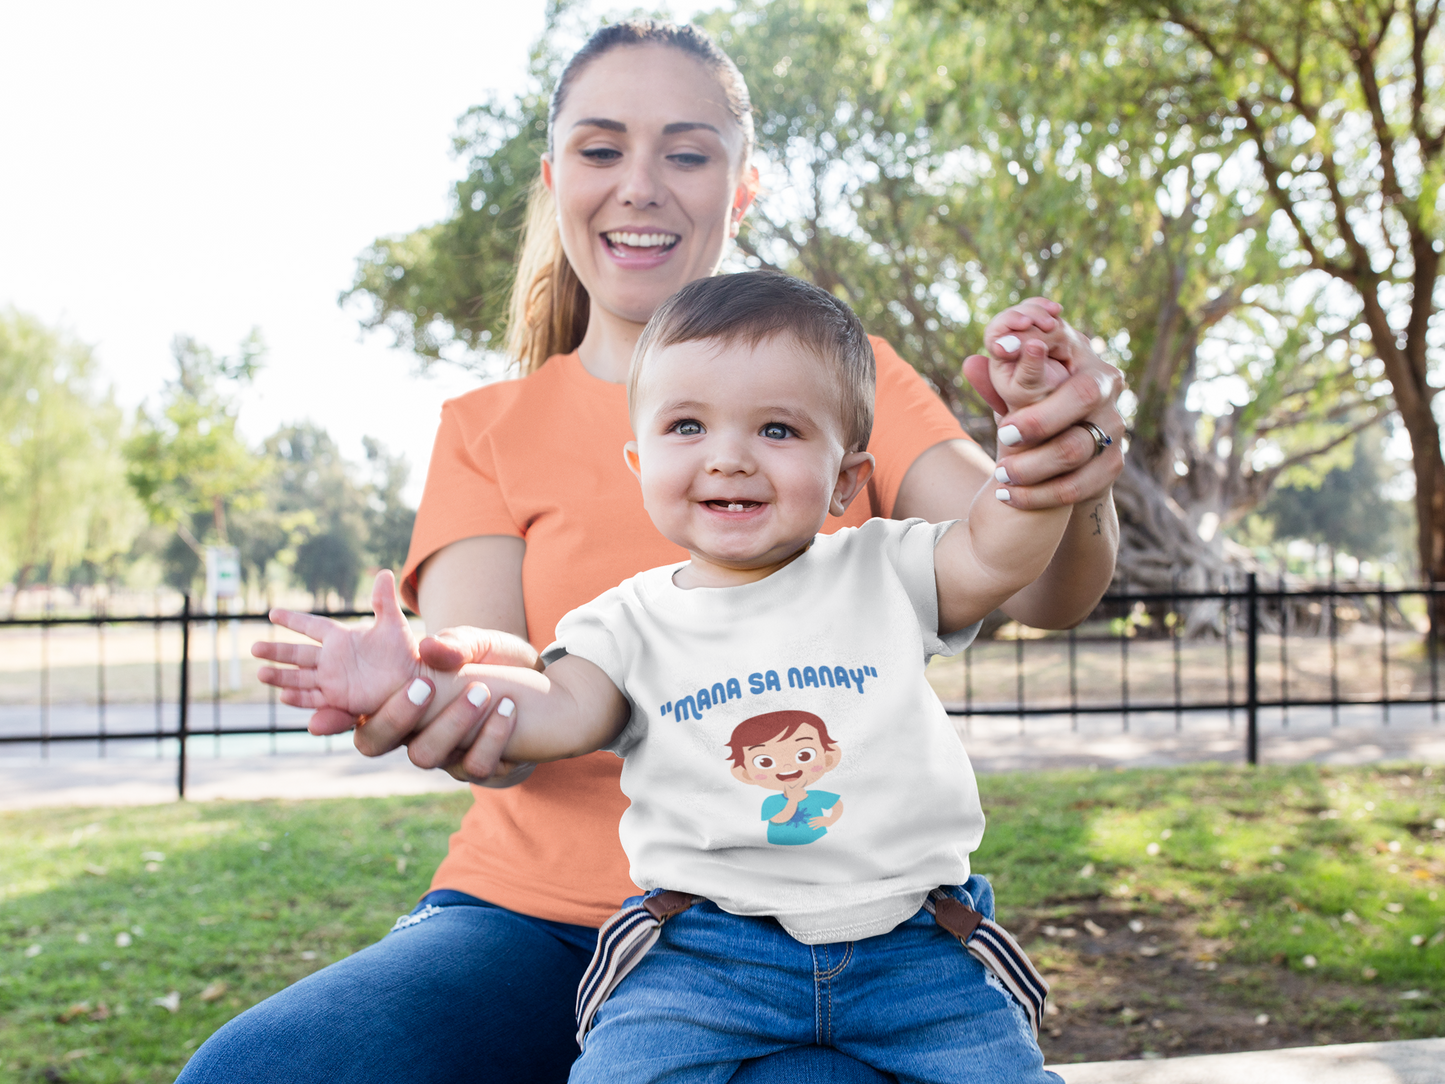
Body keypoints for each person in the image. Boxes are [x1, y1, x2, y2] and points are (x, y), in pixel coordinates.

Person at [180, 19, 1121, 1084]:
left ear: (742, 186)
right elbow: (505, 673)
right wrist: (435, 689)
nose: (639, 185)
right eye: (599, 149)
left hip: (825, 929)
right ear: (552, 181)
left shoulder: (840, 373)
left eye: (684, 150)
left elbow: (1031, 575)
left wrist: (1059, 463)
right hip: (530, 926)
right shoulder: (486, 427)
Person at [261, 271, 1070, 1083]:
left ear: (848, 479)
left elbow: (994, 551)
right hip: (705, 954)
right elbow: (554, 705)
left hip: (917, 947)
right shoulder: (627, 619)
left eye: (778, 431)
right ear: (637, 458)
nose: (728, 458)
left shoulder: (885, 566)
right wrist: (425, 686)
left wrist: (1037, 455)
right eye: (687, 425)